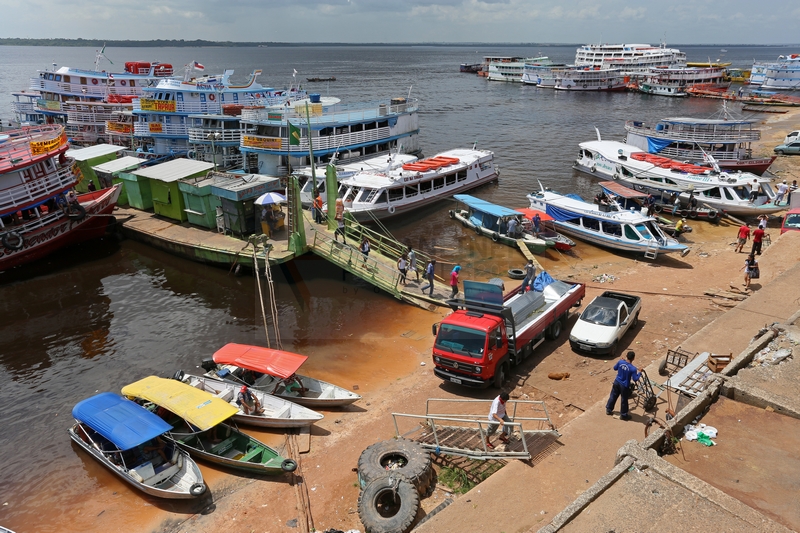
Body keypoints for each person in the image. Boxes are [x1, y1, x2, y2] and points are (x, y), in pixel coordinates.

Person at [605, 351, 642, 421]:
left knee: (613, 396)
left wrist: (621, 362)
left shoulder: (620, 362)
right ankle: (624, 415)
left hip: (616, 382)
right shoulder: (633, 369)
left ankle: (608, 409)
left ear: (626, 356)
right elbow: (635, 379)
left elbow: (615, 368)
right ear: (633, 358)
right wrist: (640, 372)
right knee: (624, 400)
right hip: (624, 386)